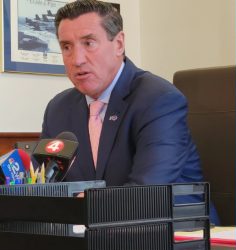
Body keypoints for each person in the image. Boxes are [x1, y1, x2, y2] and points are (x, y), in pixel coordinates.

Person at [41, 0, 220, 225]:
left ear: (119, 44)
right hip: (92, 232)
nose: (77, 59)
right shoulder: (58, 108)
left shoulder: (159, 99)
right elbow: (47, 184)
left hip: (172, 230)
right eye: (67, 47)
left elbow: (149, 191)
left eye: (89, 43)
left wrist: (80, 208)